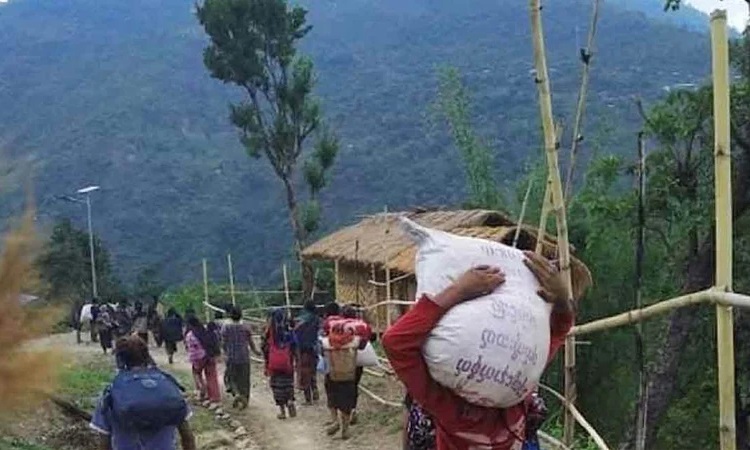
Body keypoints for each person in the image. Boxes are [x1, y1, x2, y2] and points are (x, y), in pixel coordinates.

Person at [382, 251, 574, 450]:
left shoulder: (449, 407)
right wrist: (561, 300)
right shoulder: (518, 392)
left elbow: (395, 343)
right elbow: (559, 330)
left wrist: (457, 291)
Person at [90, 335, 196, 450]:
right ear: (147, 355)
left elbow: (104, 444)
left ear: (120, 359)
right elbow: (188, 437)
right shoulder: (167, 386)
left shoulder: (111, 393)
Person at [221, 305, 261, 409]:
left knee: (231, 378)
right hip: (244, 356)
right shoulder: (246, 326)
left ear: (230, 315)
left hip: (231, 356)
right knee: (244, 380)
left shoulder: (226, 327)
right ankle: (245, 400)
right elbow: (250, 342)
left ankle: (236, 393)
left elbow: (223, 342)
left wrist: (225, 352)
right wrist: (256, 351)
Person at [262, 309, 297, 420]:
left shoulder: (269, 333)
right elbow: (295, 344)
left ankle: (282, 411)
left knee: (277, 387)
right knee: (288, 384)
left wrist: (266, 363)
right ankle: (290, 400)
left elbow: (264, 348)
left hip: (274, 364)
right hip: (287, 363)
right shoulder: (288, 330)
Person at [185, 316, 221, 405]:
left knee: (197, 373)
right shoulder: (204, 331)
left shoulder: (190, 334)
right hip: (209, 355)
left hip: (197, 358)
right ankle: (214, 396)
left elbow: (189, 348)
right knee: (211, 376)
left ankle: (202, 390)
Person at [294, 300, 321, 405]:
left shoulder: (302, 319)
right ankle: (315, 390)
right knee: (312, 371)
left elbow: (295, 331)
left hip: (302, 350)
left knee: (304, 373)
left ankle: (308, 399)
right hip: (313, 349)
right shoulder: (317, 319)